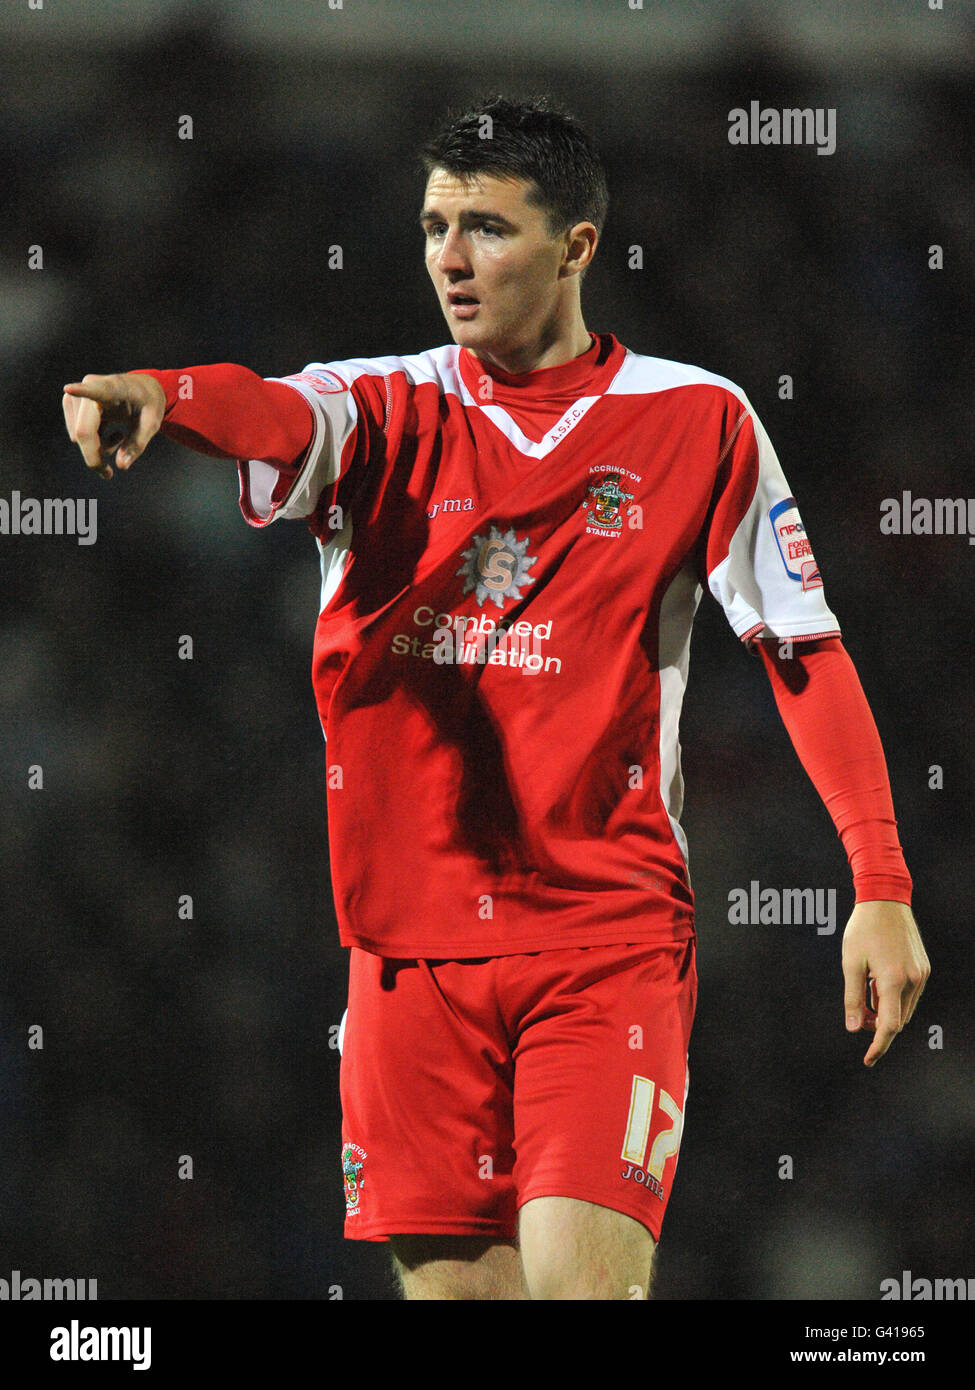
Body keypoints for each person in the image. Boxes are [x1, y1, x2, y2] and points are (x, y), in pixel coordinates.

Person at [62, 95, 929, 1301]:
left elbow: (802, 650)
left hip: (604, 939)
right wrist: (164, 390)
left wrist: (878, 884)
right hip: (407, 956)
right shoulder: (382, 407)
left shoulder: (699, 419)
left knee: (584, 1289)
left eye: (486, 227)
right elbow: (268, 408)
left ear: (577, 245)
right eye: (432, 226)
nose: (450, 260)